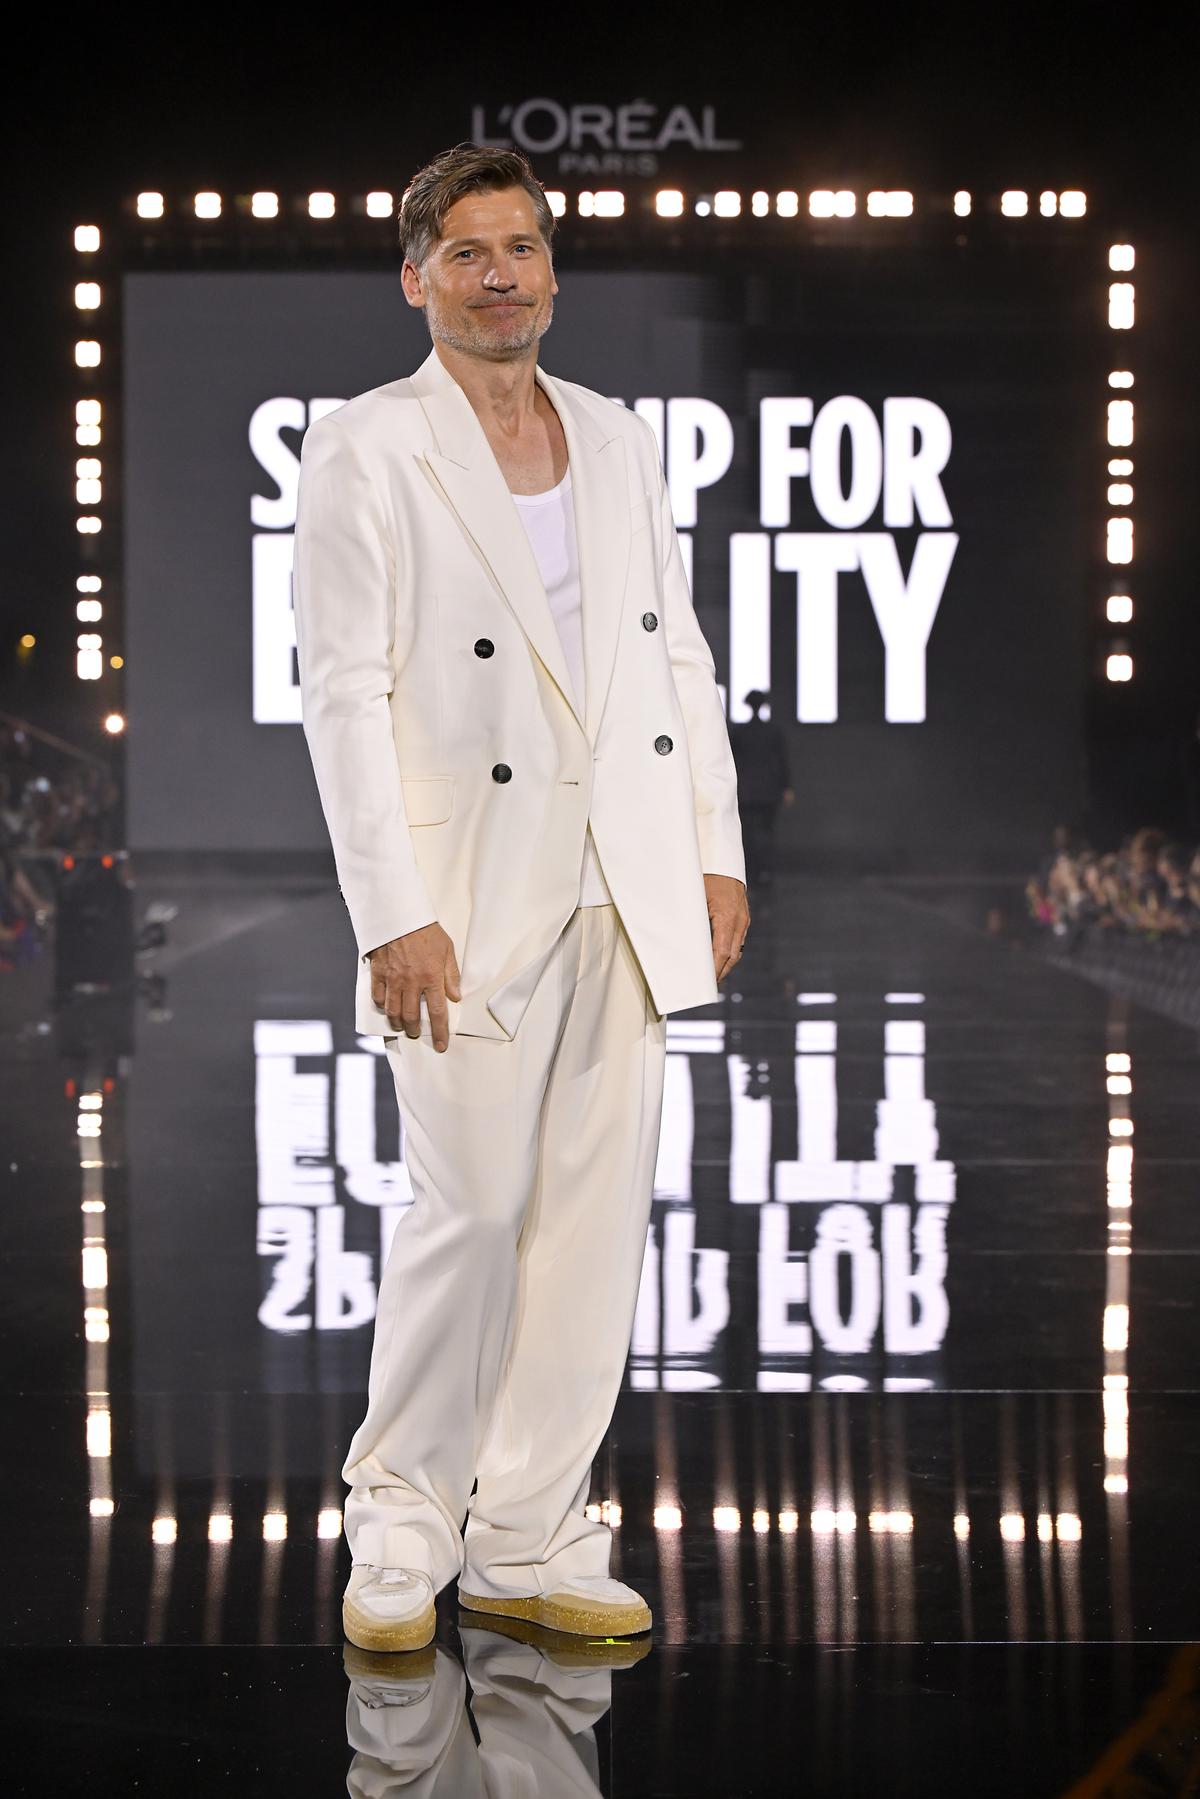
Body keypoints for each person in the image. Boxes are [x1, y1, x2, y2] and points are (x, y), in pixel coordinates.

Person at [292, 141, 749, 1655]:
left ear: (555, 270)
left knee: (590, 1222)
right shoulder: (367, 444)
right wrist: (388, 907)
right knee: (470, 1210)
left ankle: (532, 1529)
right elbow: (342, 695)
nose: (506, 276)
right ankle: (401, 1522)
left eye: (527, 248)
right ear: (417, 277)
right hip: (465, 886)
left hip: (620, 870)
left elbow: (674, 653)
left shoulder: (616, 438)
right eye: (473, 252)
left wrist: (714, 844)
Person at [728, 689, 793, 887]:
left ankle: (753, 872)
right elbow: (782, 761)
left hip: (746, 790)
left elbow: (732, 762)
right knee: (767, 831)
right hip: (768, 790)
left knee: (748, 833)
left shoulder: (740, 732)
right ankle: (766, 871)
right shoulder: (773, 731)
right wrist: (786, 787)